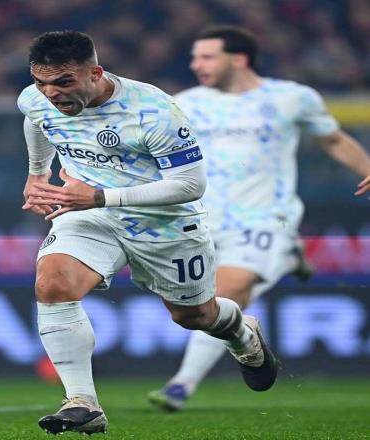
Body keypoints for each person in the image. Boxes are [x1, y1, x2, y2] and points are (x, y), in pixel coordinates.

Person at [18, 30, 278, 435]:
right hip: (89, 213)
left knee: (194, 316)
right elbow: (37, 120)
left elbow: (190, 185)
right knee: (52, 284)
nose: (51, 93)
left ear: (95, 73)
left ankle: (243, 333)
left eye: (64, 82)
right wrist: (37, 174)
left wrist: (100, 196)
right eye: (42, 82)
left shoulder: (154, 111)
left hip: (164, 224)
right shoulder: (36, 99)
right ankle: (82, 402)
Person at [147, 25, 370, 412]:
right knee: (207, 306)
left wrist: (367, 168)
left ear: (239, 59)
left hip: (266, 217)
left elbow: (333, 139)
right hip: (203, 219)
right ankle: (289, 256)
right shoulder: (185, 104)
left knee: (226, 292)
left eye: (207, 56)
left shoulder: (291, 98)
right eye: (195, 57)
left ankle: (181, 384)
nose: (196, 64)